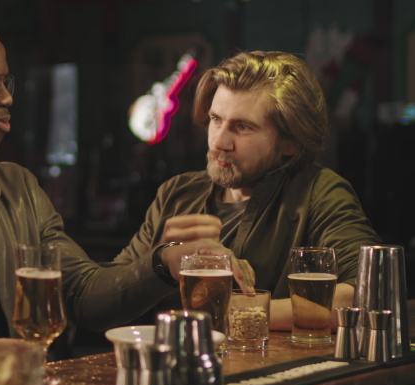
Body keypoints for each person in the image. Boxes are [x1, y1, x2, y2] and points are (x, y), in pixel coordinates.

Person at [0, 17, 252, 337]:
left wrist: (165, 262)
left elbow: (82, 294)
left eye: (6, 83)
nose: (6, 98)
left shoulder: (18, 188)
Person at [113, 51, 380, 329]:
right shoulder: (177, 193)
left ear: (290, 142)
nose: (219, 142)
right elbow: (106, 297)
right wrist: (157, 263)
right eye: (216, 119)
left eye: (242, 127)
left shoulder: (321, 193)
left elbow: (366, 293)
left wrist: (231, 309)